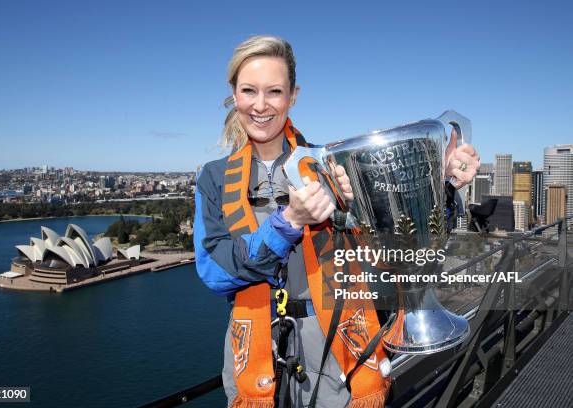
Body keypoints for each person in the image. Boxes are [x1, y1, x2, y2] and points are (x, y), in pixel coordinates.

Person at [194, 35, 480, 408]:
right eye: (249, 90)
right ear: (234, 94)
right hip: (256, 352)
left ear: (293, 95)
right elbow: (215, 272)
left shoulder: (331, 163)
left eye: (275, 91)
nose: (260, 105)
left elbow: (391, 245)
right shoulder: (214, 178)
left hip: (337, 351)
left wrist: (440, 188)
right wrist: (289, 222)